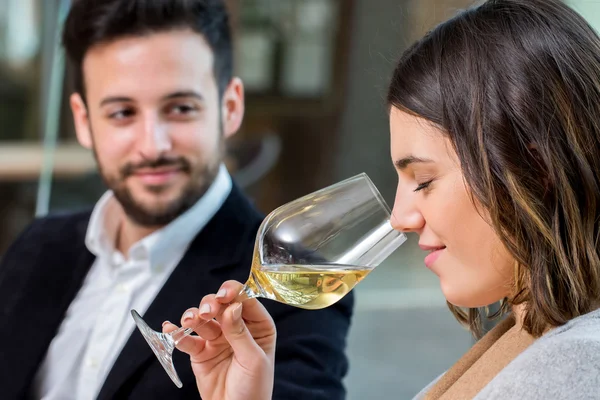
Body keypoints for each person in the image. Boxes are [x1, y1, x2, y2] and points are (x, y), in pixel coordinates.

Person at [165, 0, 600, 399]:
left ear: (536, 169)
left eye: (424, 179)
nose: (400, 218)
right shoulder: (531, 337)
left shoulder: (571, 367)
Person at [0, 0, 354, 399]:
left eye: (181, 108)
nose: (153, 145)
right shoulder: (38, 246)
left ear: (230, 107)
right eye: (121, 113)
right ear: (84, 121)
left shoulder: (292, 282)